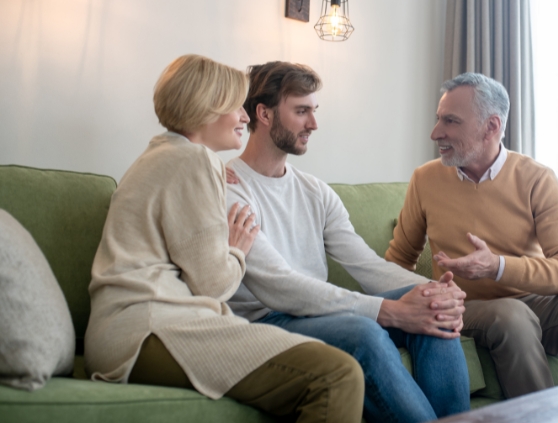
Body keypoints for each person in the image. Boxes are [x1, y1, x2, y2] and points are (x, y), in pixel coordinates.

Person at [84, 54, 364, 423]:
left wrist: (213, 175)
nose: (245, 117)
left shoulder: (164, 155)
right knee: (336, 374)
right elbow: (213, 286)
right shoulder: (193, 161)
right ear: (207, 108)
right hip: (148, 329)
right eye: (236, 106)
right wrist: (236, 249)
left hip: (123, 331)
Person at [223, 61, 471, 423]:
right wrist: (388, 310)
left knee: (433, 307)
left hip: (318, 313)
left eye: (314, 110)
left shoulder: (315, 191)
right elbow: (280, 285)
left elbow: (366, 265)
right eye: (301, 111)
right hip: (267, 321)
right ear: (264, 114)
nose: (314, 123)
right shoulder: (230, 189)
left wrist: (437, 292)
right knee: (363, 332)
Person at [385, 72, 558, 398]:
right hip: (468, 306)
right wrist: (405, 305)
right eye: (438, 118)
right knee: (512, 315)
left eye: (451, 121)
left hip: (535, 302)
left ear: (491, 127)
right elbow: (399, 260)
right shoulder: (426, 179)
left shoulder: (536, 178)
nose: (436, 132)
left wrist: (497, 266)